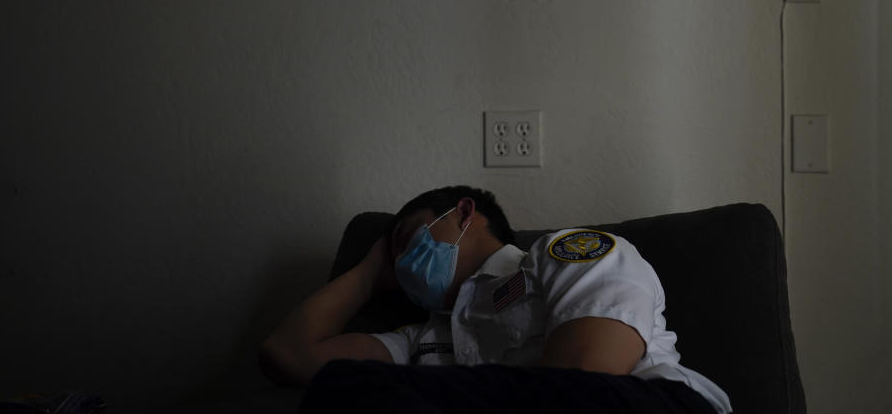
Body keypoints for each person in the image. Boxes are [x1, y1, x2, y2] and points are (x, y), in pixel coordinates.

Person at [259, 186, 732, 413]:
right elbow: (290, 357)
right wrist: (367, 272)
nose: (402, 261)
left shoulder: (564, 252)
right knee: (346, 386)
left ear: (464, 213)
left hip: (650, 405)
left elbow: (588, 376)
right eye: (394, 261)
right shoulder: (423, 338)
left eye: (407, 238)